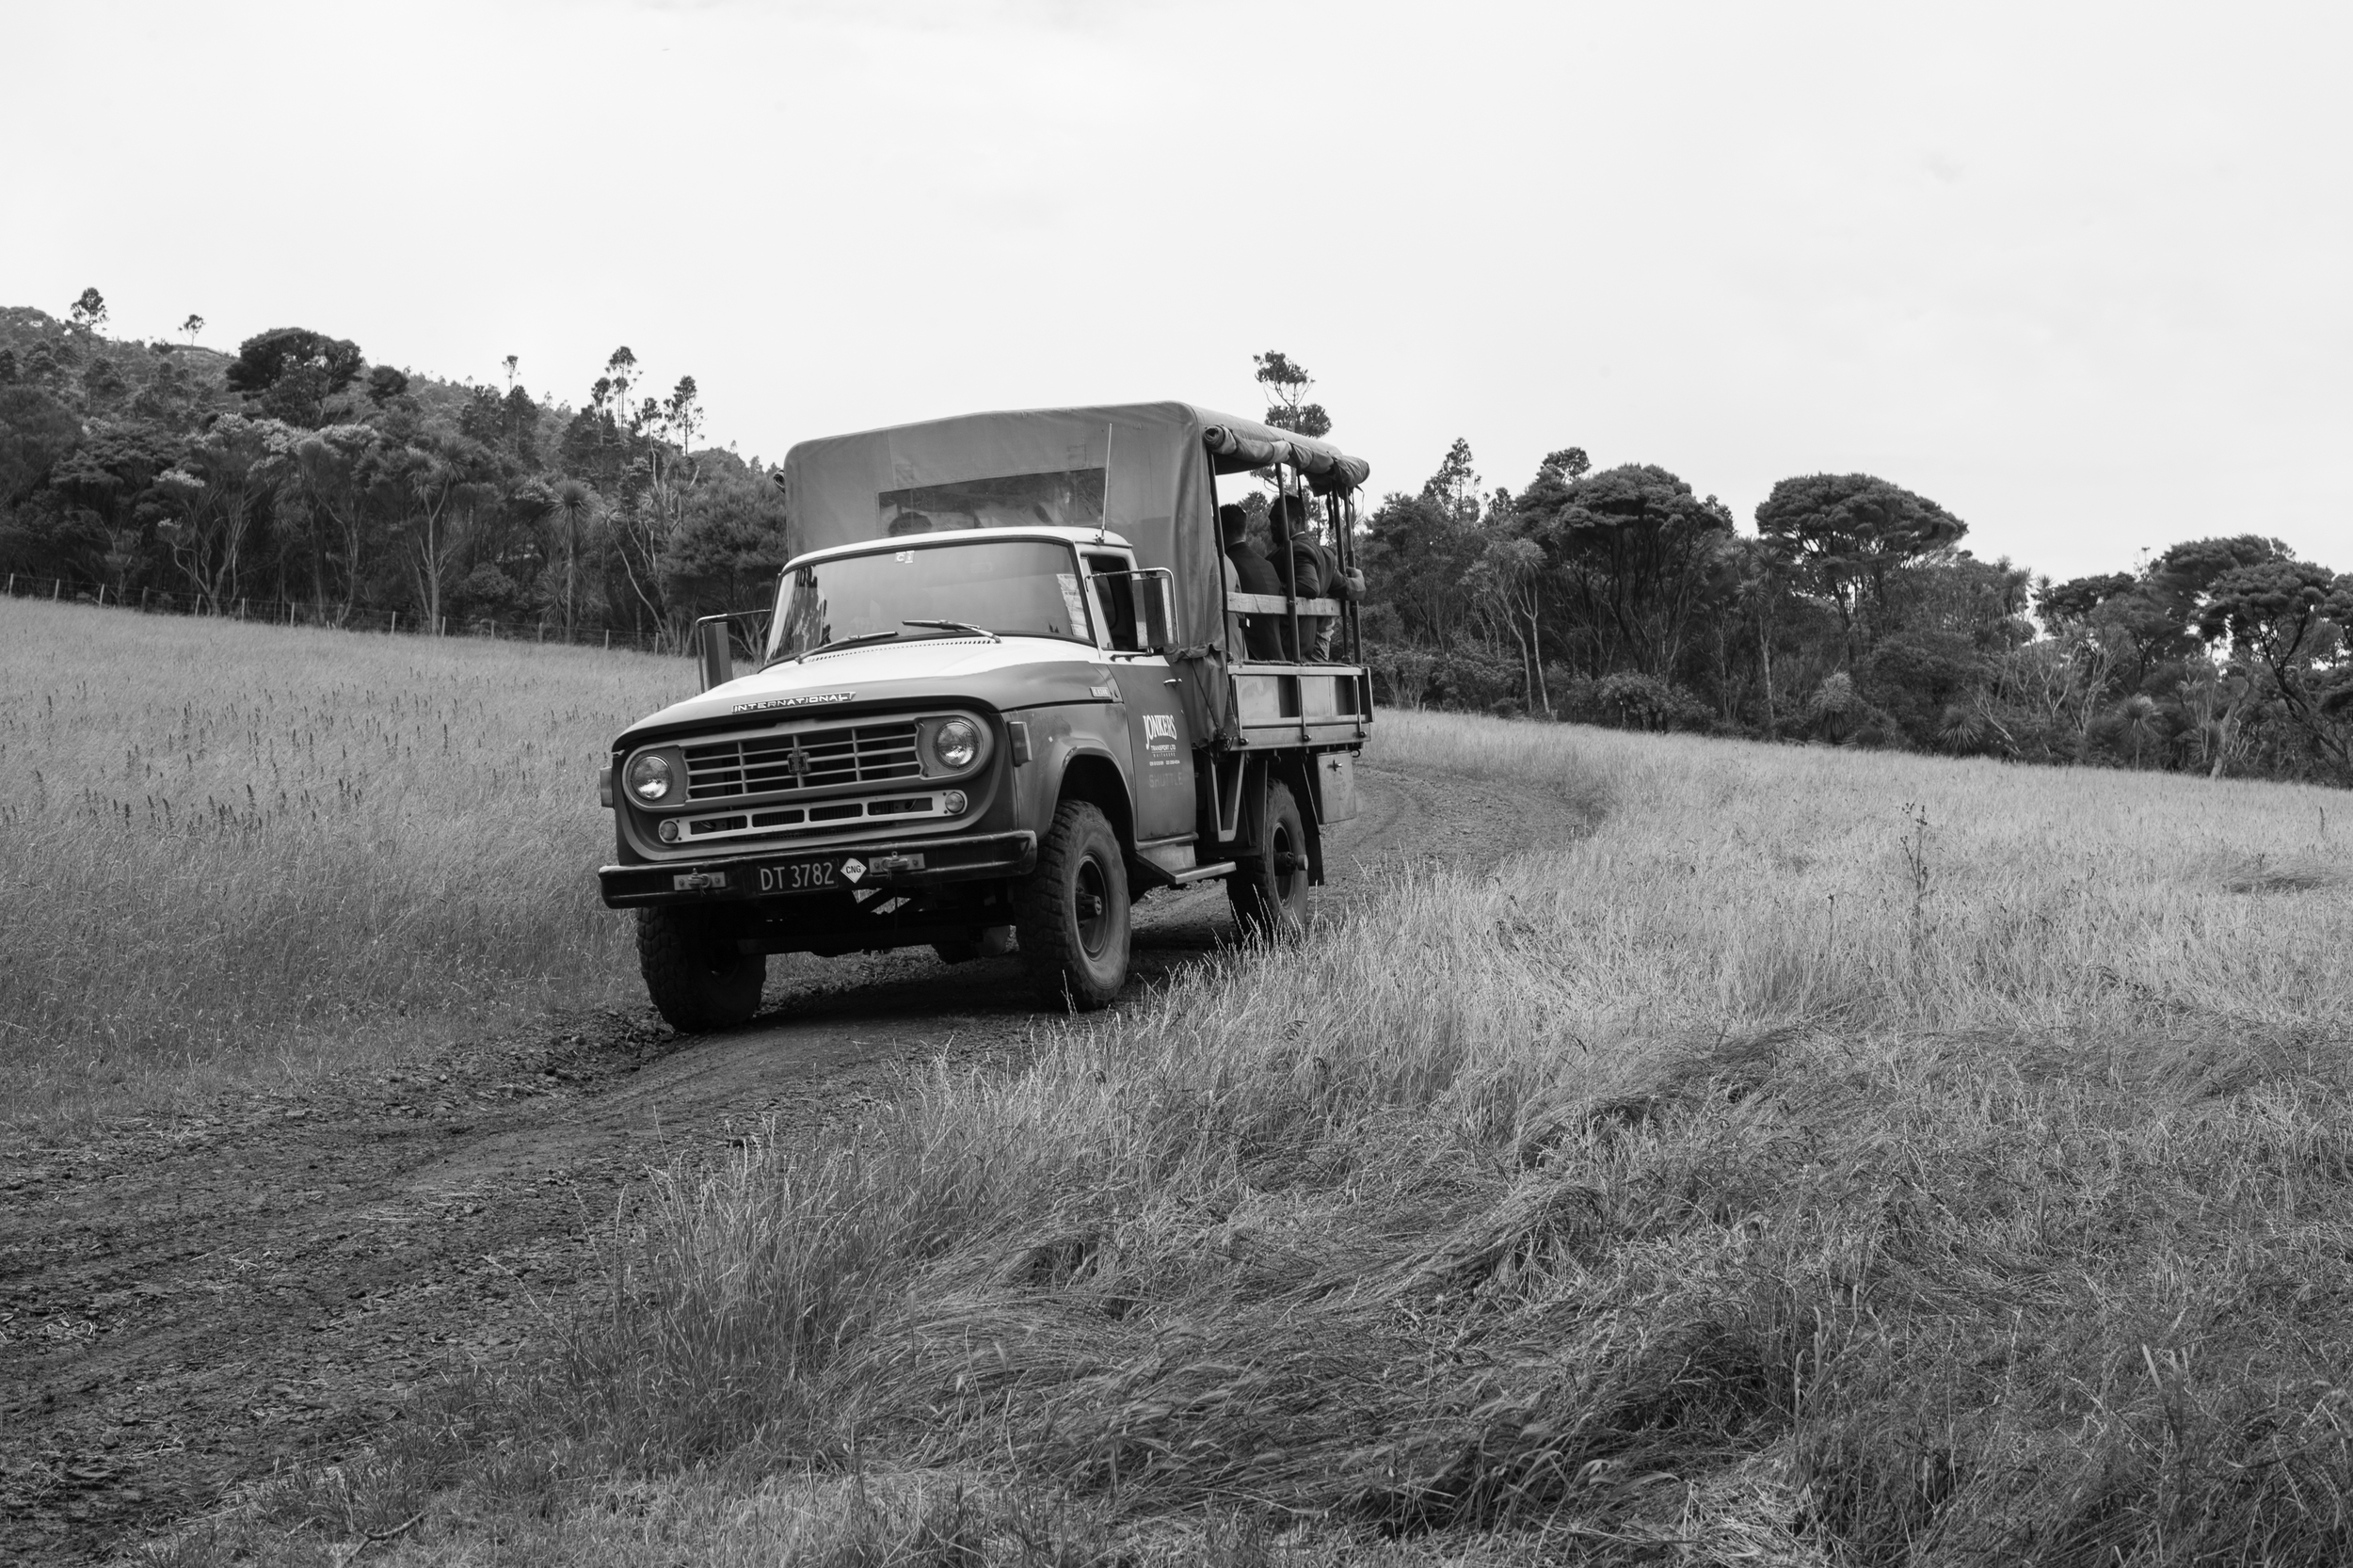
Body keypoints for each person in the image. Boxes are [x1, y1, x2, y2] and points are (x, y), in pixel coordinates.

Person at [1269, 492, 1364, 660]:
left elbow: (1310, 586)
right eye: (1271, 520)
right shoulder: (1324, 557)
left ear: (1297, 522)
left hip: (1285, 650)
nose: (1272, 525)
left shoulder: (1296, 550)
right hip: (1307, 650)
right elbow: (1348, 589)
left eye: (1277, 519)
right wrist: (1359, 581)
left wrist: (1273, 588)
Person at [1220, 503, 1287, 661]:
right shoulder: (1267, 565)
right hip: (1279, 657)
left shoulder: (1227, 565)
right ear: (1244, 529)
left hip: (1251, 657)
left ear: (1218, 529)